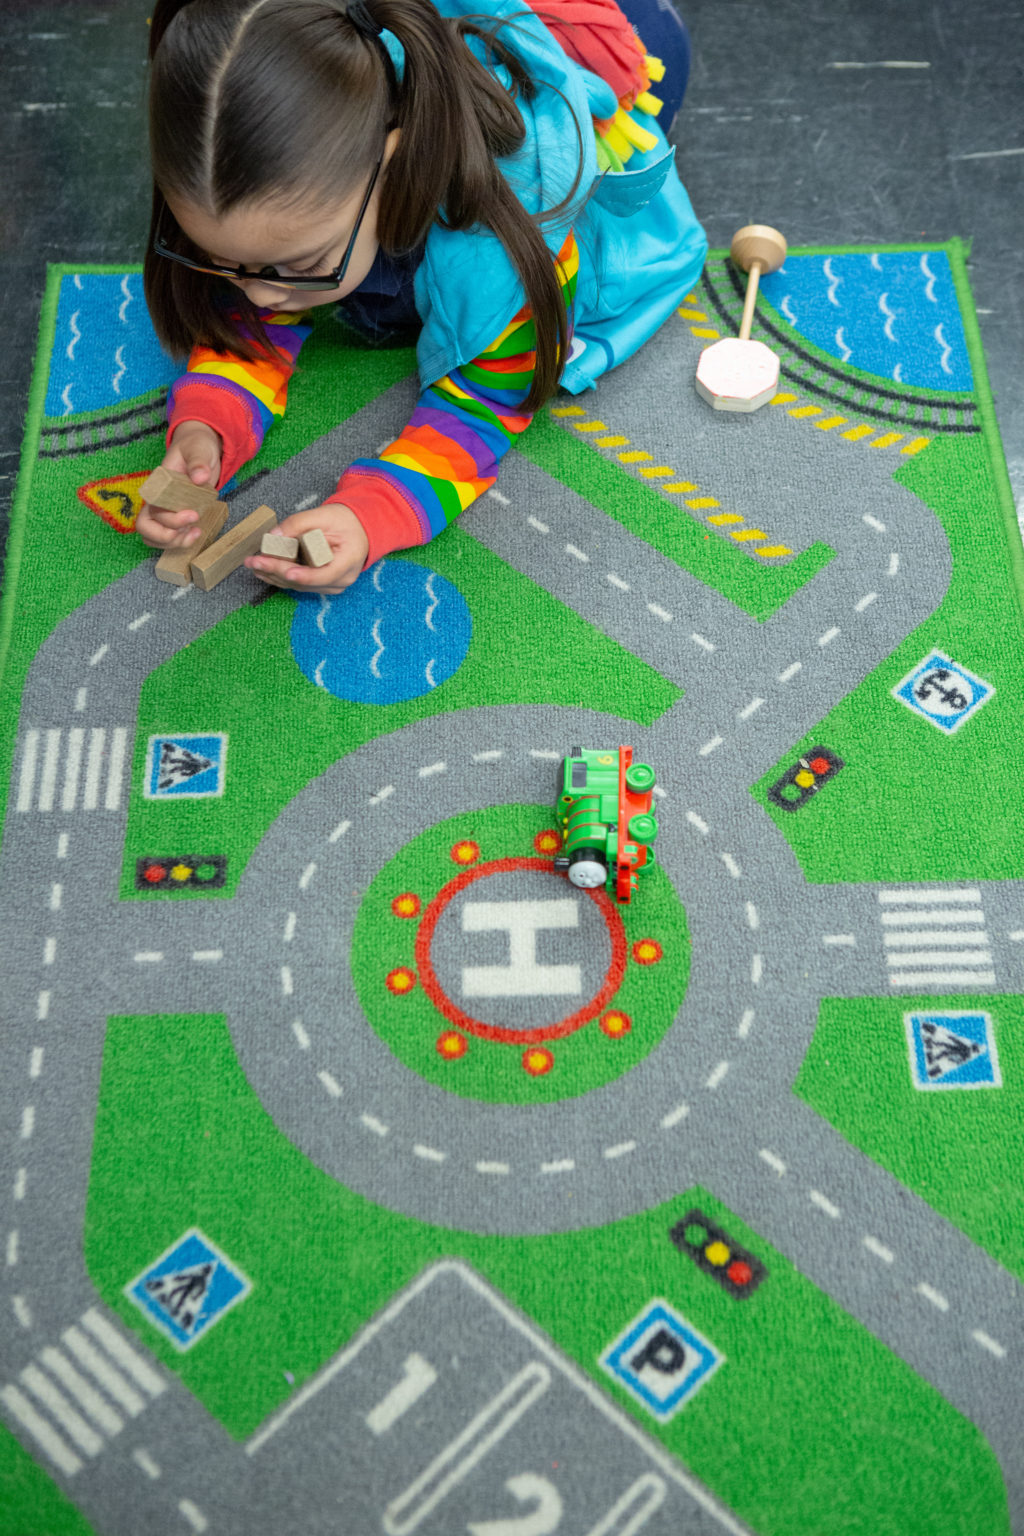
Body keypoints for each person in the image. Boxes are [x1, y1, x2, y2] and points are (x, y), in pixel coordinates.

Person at [139, 0, 707, 593]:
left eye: (301, 265)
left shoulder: (508, 228)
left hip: (623, 38)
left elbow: (486, 405)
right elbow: (243, 317)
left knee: (644, 46)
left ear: (391, 159)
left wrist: (375, 511)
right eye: (222, 262)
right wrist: (207, 428)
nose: (257, 295)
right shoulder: (245, 162)